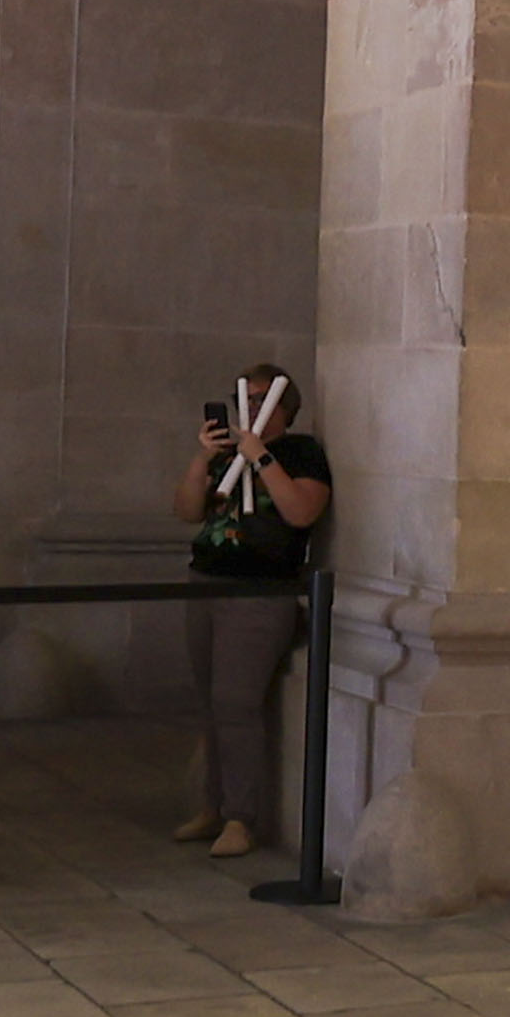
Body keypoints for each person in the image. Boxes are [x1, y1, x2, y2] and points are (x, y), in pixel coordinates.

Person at [181, 365, 333, 858]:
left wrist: (261, 457)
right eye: (241, 395)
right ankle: (213, 805)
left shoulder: (301, 453)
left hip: (260, 591)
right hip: (207, 583)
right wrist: (203, 459)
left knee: (236, 702)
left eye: (260, 397)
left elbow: (301, 512)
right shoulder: (227, 455)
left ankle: (240, 818)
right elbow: (187, 510)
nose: (248, 404)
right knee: (209, 703)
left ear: (284, 406)